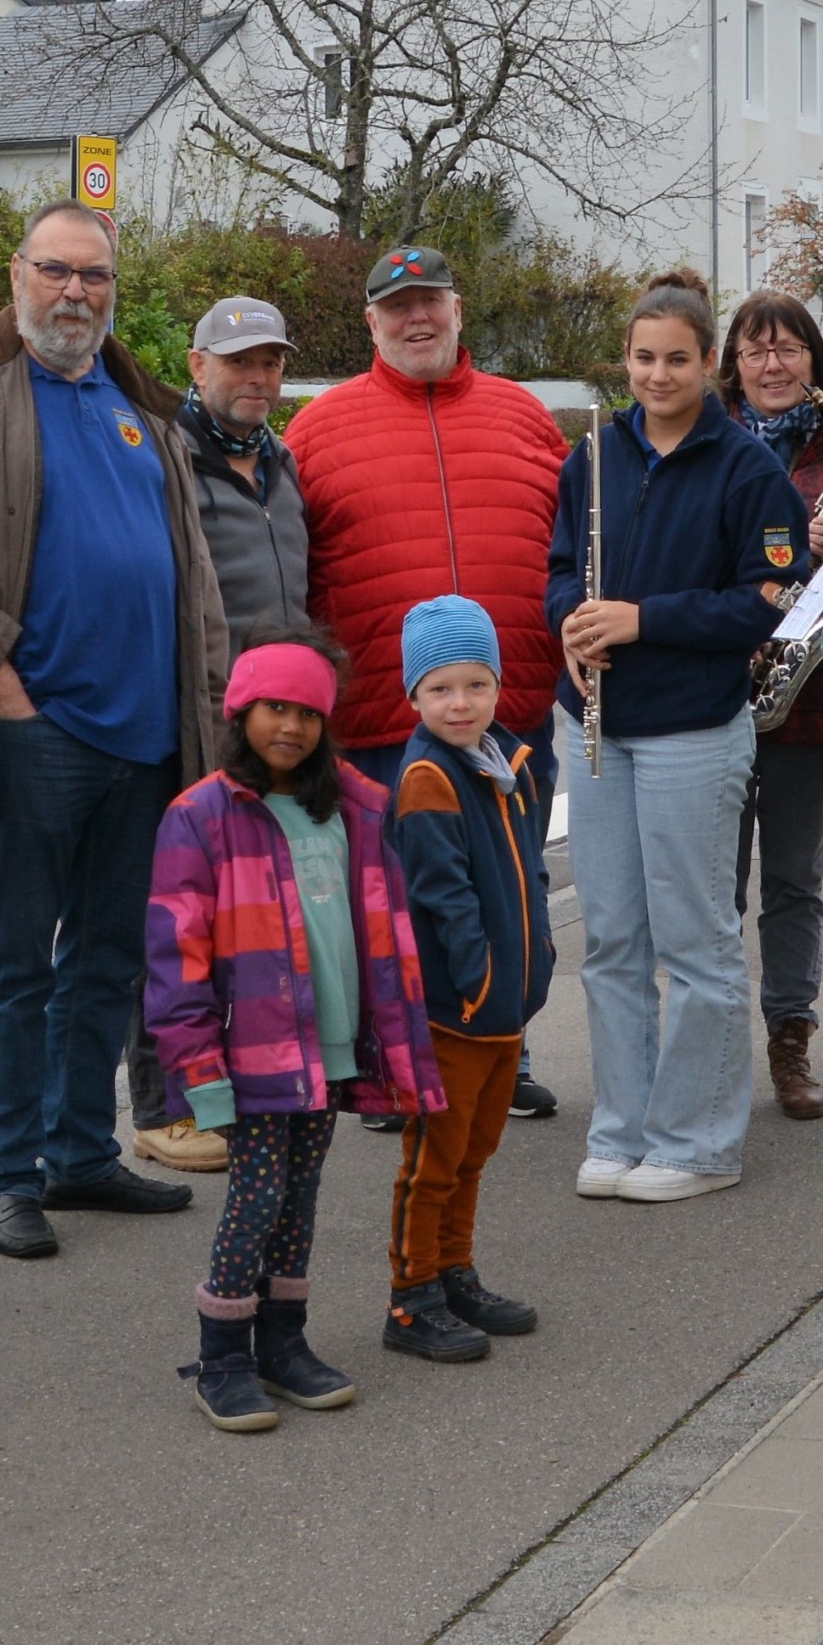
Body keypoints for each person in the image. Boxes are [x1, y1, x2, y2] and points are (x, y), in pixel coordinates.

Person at [0, 202, 232, 1259]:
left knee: (109, 960)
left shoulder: (136, 394)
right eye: (56, 271)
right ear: (17, 274)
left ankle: (81, 1152)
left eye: (95, 276)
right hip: (36, 730)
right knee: (17, 961)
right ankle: (7, 1174)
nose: (75, 293)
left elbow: (185, 563)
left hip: (147, 736)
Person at [287, 242, 573, 1122]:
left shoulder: (526, 419)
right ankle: (389, 1067)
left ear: (457, 310)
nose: (418, 318)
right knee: (389, 900)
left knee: (508, 889)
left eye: (432, 301)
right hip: (378, 714)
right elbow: (292, 574)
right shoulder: (318, 429)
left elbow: (572, 555)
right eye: (397, 306)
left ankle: (498, 1051)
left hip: (508, 714)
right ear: (371, 322)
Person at [547, 272, 806, 1202]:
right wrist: (570, 626)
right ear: (627, 359)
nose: (657, 375)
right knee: (613, 937)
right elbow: (556, 567)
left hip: (692, 728)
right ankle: (620, 1131)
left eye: (677, 360)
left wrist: (640, 620)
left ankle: (698, 1143)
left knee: (693, 942)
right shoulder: (594, 454)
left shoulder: (747, 468)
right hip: (599, 724)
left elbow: (768, 601)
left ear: (708, 365)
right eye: (643, 358)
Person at [145, 642, 446, 1429]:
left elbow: (386, 935)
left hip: (331, 1044)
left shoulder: (352, 808)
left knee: (301, 1194)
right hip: (248, 1056)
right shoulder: (200, 816)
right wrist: (199, 1074)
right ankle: (223, 1357)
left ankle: (283, 1346)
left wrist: (395, 1045)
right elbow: (175, 959)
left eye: (308, 712)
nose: (292, 726)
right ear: (239, 714)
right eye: (275, 709)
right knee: (257, 1195)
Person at [135, 289, 317, 1171]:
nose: (257, 377)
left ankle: (239, 1084)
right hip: (198, 722)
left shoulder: (280, 461)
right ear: (196, 368)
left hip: (276, 732)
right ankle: (163, 1105)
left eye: (270, 362)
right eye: (238, 361)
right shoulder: (169, 460)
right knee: (178, 923)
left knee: (256, 922)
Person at [376, 595, 558, 1361]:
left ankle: (455, 1272)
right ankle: (411, 1296)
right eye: (441, 688)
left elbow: (530, 876)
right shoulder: (427, 776)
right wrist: (482, 983)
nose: (461, 703)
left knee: (475, 1151)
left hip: (502, 1008)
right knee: (433, 1158)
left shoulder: (505, 761)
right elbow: (442, 898)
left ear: (496, 686)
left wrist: (532, 970)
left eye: (475, 685)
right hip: (457, 1009)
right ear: (413, 695)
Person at [724, 290, 823, 1123]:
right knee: (713, 886)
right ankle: (711, 1048)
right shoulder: (706, 444)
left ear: (813, 364)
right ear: (734, 365)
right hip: (713, 691)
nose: (774, 364)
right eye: (756, 350)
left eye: (789, 349)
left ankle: (791, 1039)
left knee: (793, 878)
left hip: (811, 699)